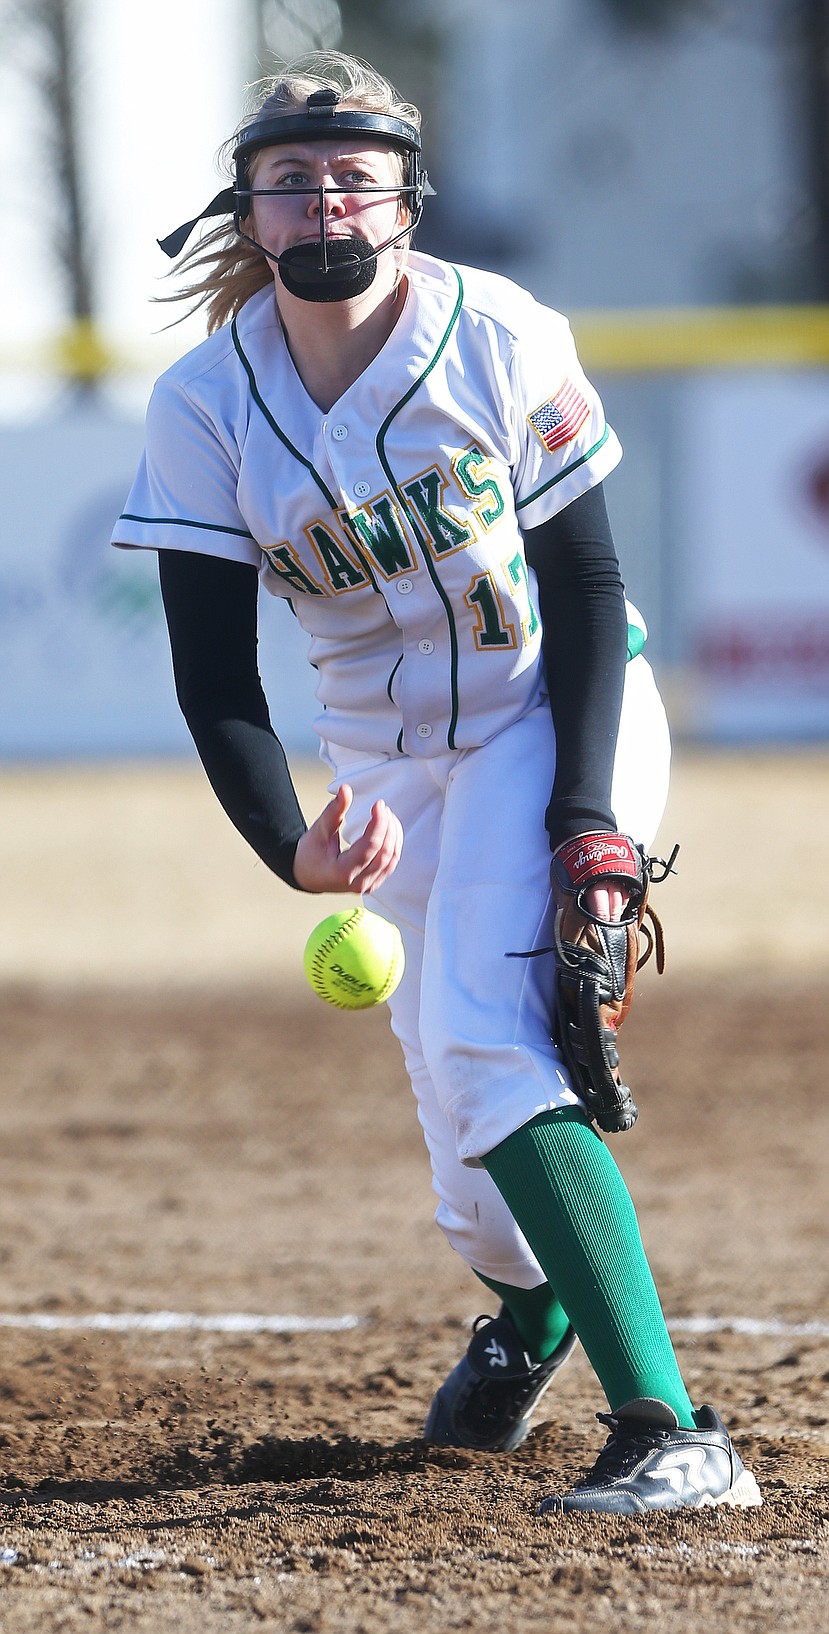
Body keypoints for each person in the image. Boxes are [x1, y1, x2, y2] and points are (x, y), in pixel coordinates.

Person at [113, 50, 761, 1515]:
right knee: (470, 1169)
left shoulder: (497, 331)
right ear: (248, 208)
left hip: (556, 716)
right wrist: (293, 845)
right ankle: (531, 1314)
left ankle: (673, 1430)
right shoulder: (205, 404)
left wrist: (588, 825)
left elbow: (589, 593)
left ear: (407, 196)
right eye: (290, 174)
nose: (323, 195)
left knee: (485, 1042)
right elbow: (213, 679)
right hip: (387, 773)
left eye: (354, 169)